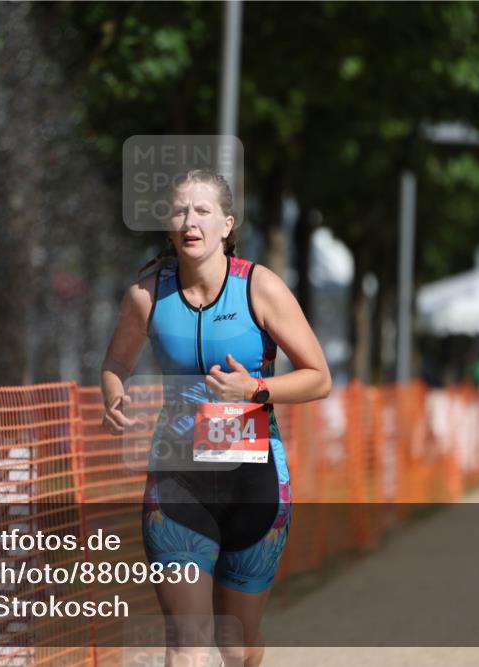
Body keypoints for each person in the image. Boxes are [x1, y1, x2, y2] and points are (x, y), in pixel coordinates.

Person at [100, 168, 331, 667]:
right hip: (178, 481)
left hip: (256, 483)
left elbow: (319, 377)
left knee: (237, 644)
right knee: (187, 643)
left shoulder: (260, 288)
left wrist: (256, 388)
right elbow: (117, 362)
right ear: (168, 226)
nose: (190, 221)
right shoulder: (147, 294)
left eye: (202, 210)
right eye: (180, 211)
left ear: (227, 225)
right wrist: (113, 391)